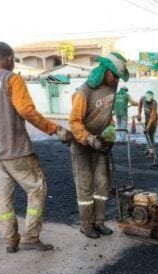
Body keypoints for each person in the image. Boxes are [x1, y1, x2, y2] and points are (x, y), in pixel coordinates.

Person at [0, 42, 73, 253]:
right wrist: (55, 129)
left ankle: (10, 240)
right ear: (8, 58)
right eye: (13, 60)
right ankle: (30, 237)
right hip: (17, 150)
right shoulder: (12, 79)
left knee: (3, 199)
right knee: (37, 189)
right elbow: (26, 110)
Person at [69, 53, 129, 239]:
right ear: (105, 71)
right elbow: (74, 122)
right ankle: (86, 225)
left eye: (119, 77)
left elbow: (106, 112)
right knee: (85, 186)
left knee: (103, 184)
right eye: (115, 75)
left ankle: (99, 222)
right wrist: (89, 139)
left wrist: (109, 132)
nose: (117, 80)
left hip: (101, 143)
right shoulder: (84, 92)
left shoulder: (113, 86)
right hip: (82, 144)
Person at [137, 90, 158, 155]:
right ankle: (148, 148)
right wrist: (139, 115)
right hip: (147, 119)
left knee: (151, 136)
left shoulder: (154, 103)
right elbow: (139, 107)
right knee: (147, 135)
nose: (148, 102)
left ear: (152, 98)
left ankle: (152, 151)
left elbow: (152, 117)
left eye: (149, 100)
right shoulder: (142, 98)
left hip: (153, 121)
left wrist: (147, 127)